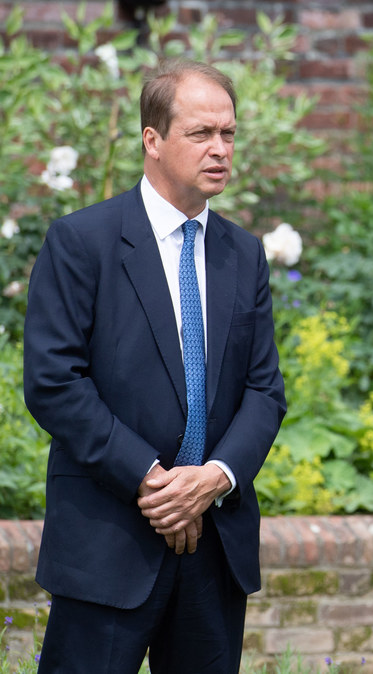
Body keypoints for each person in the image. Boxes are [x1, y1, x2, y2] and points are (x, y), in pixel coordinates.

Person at [23, 59, 286, 673]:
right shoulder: (82, 241)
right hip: (108, 539)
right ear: (153, 140)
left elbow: (264, 390)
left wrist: (214, 477)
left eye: (228, 134)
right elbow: (53, 382)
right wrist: (151, 478)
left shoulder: (242, 254)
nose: (220, 149)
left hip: (213, 545)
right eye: (201, 134)